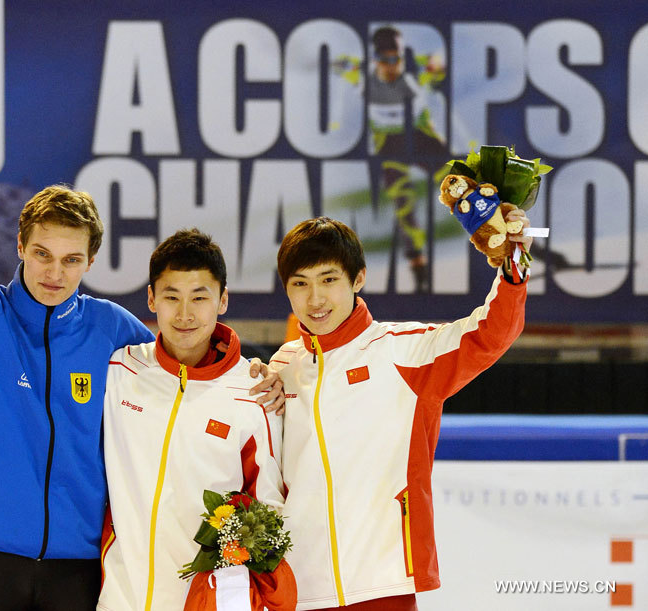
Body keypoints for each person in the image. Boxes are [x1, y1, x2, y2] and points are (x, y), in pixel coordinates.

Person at [0, 122, 282, 611]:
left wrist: (254, 371)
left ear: (90, 261)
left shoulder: (112, 331)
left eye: (71, 259)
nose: (54, 273)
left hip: (77, 570)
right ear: (20, 246)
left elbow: (188, 361)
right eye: (42, 254)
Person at [270, 212, 531, 610]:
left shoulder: (404, 351)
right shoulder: (283, 365)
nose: (315, 299)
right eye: (300, 285)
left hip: (383, 582)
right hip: (296, 586)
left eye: (329, 280)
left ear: (358, 279)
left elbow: (491, 332)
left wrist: (514, 264)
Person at [99, 229, 292, 611]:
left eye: (199, 298)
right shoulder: (119, 371)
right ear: (152, 298)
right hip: (119, 599)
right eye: (171, 297)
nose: (185, 314)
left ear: (222, 300)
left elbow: (270, 514)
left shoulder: (253, 394)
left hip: (207, 602)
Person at [367, 25, 447, 293]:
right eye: (384, 59)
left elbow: (441, 61)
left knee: (460, 187)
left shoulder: (418, 67)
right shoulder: (362, 76)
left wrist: (438, 66)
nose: (391, 65)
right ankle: (419, 269)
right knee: (403, 204)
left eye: (396, 58)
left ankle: (502, 237)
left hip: (423, 139)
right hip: (390, 146)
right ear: (375, 58)